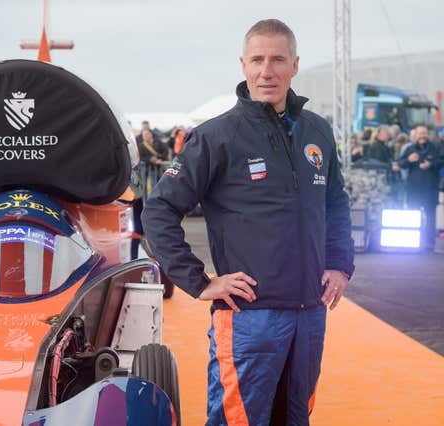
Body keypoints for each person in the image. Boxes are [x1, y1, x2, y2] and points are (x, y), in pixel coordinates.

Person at [142, 19, 354, 425]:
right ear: (243, 65)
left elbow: (336, 203)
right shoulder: (218, 136)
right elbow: (158, 210)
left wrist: (340, 264)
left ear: (294, 64)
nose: (266, 71)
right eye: (257, 60)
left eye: (277, 60)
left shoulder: (317, 131)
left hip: (310, 314)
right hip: (249, 318)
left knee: (295, 417)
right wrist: (200, 282)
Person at [399, 124, 443, 249]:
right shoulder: (410, 148)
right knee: (413, 215)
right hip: (414, 190)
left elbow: (441, 161)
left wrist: (431, 164)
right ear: (415, 135)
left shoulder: (436, 147)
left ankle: (429, 243)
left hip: (430, 189)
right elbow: (400, 164)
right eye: (420, 133)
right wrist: (409, 160)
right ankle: (413, 240)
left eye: (424, 133)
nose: (422, 136)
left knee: (430, 216)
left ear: (427, 134)